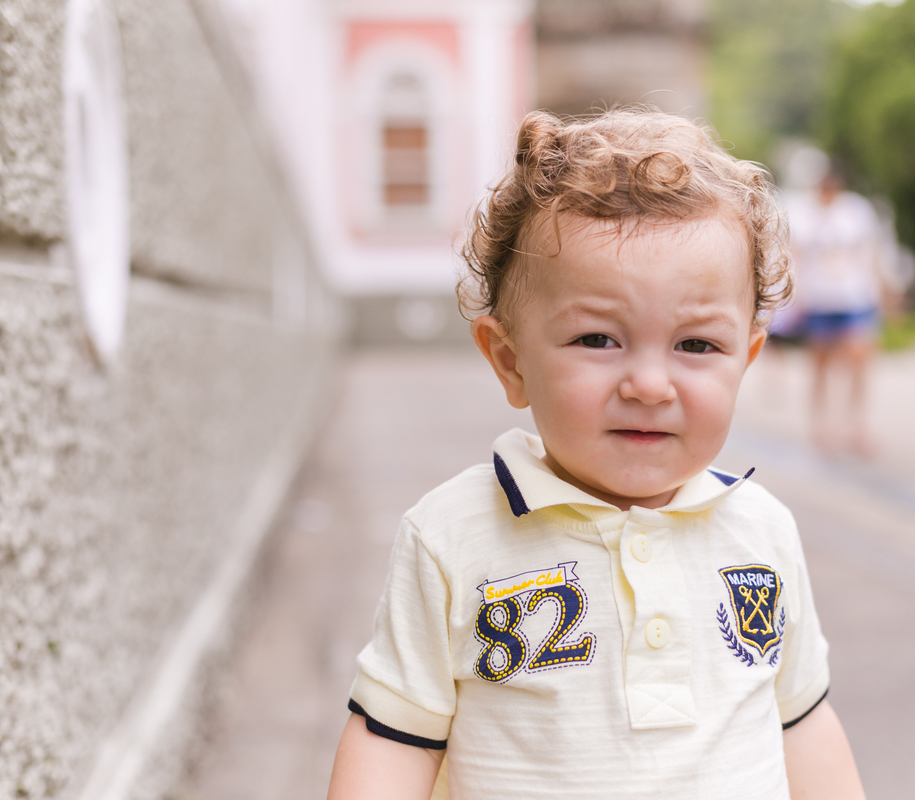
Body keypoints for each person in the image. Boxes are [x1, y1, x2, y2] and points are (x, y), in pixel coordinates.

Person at [326, 108, 866, 800]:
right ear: (510, 360)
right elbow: (391, 738)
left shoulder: (762, 532)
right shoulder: (452, 538)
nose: (648, 384)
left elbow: (803, 724)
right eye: (598, 340)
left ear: (747, 359)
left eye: (696, 345)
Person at [774, 161, 903, 457]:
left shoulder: (856, 211)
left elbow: (874, 252)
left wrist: (888, 290)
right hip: (820, 299)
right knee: (820, 364)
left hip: (855, 297)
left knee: (860, 359)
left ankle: (857, 424)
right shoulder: (802, 212)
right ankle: (822, 425)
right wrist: (791, 297)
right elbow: (794, 257)